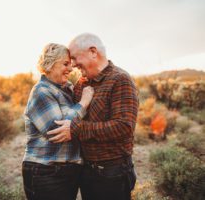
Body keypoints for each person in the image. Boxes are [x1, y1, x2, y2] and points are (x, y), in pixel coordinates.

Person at [47, 33, 139, 200]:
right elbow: (72, 116)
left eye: (74, 58)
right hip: (86, 170)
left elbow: (123, 126)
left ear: (93, 52)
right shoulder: (81, 84)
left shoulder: (120, 80)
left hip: (112, 173)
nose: (73, 65)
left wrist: (76, 129)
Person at [22, 43, 94, 200]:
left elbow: (72, 125)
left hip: (68, 171)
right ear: (50, 64)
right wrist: (83, 103)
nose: (71, 68)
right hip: (46, 172)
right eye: (65, 64)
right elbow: (57, 131)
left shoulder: (67, 88)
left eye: (71, 64)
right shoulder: (41, 91)